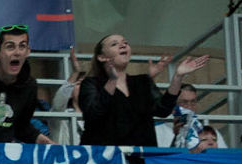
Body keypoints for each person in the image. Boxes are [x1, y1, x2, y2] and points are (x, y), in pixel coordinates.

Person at [73, 34, 207, 147]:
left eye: (125, 43)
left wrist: (178, 76)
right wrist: (112, 80)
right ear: (102, 57)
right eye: (114, 44)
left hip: (141, 158)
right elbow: (94, 113)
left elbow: (163, 110)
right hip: (107, 161)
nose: (123, 45)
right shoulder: (90, 83)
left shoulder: (143, 81)